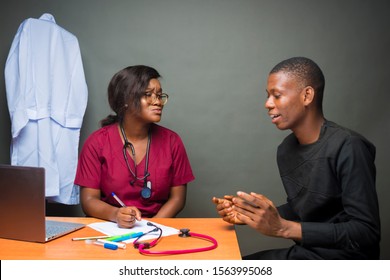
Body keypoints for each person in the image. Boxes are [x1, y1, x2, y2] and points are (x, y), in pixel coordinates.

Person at [212, 57, 381, 259]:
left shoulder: (349, 146)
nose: (267, 104)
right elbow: (306, 209)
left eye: (277, 95)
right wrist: (250, 213)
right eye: (267, 96)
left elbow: (366, 232)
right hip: (306, 254)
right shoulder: (286, 149)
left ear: (307, 95)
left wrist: (284, 229)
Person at [75, 65, 195, 228]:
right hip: (109, 227)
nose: (158, 102)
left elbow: (178, 198)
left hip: (157, 227)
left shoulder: (172, 141)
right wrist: (115, 215)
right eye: (148, 95)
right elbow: (88, 200)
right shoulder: (97, 142)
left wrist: (153, 227)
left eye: (160, 96)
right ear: (125, 100)